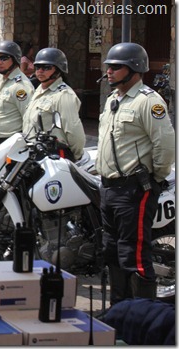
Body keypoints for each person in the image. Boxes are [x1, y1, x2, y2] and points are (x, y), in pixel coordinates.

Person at [95, 42, 175, 305]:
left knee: (134, 255)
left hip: (134, 190)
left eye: (117, 67)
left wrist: (154, 179)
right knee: (112, 252)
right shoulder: (113, 100)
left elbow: (164, 144)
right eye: (109, 66)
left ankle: (142, 317)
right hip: (108, 188)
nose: (109, 71)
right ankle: (120, 313)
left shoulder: (148, 102)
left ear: (135, 69)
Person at [22, 47, 85, 161]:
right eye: (38, 67)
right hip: (34, 152)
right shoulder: (39, 90)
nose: (40, 71)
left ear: (58, 70)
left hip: (53, 156)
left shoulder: (64, 95)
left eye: (46, 67)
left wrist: (75, 157)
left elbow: (74, 132)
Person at [0, 40, 34, 144]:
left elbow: (29, 119)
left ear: (15, 60)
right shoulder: (4, 80)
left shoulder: (20, 86)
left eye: (4, 58)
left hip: (8, 142)